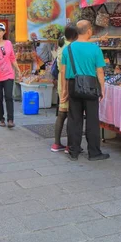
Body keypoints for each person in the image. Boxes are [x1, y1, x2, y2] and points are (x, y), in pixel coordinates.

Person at [60, 20, 109, 161]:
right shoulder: (95, 49)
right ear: (88, 31)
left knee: (74, 119)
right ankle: (94, 152)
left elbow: (63, 72)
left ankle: (74, 151)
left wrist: (64, 90)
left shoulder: (67, 49)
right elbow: (99, 72)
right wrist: (103, 88)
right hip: (91, 85)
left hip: (73, 85)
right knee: (92, 120)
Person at [51, 23, 78, 152]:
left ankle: (57, 143)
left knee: (62, 114)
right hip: (67, 82)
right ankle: (69, 145)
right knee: (71, 115)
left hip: (62, 84)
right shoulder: (70, 47)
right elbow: (64, 70)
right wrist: (66, 90)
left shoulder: (62, 43)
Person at [0, 23, 20, 128]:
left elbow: (12, 57)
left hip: (8, 74)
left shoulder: (8, 43)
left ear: (4, 32)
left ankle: (10, 119)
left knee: (8, 96)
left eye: (0, 30)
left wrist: (17, 70)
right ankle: (1, 119)